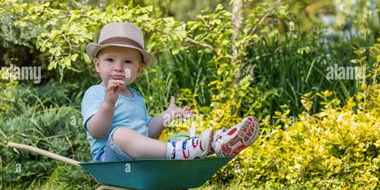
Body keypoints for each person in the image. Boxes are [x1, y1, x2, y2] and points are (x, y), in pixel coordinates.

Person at [81, 22, 260, 162]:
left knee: (178, 137)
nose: (118, 68)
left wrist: (168, 115)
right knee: (120, 134)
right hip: (109, 161)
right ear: (97, 65)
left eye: (128, 62)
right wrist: (108, 103)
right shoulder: (96, 93)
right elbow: (97, 132)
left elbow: (147, 133)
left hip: (139, 160)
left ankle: (215, 144)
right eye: (110, 60)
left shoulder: (136, 98)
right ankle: (190, 149)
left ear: (139, 69)